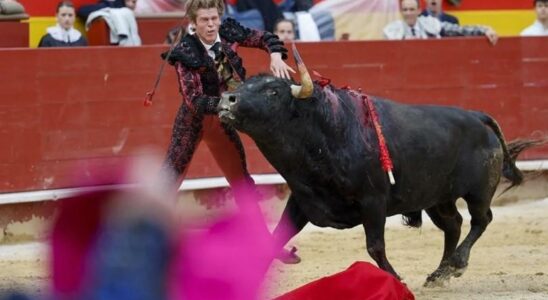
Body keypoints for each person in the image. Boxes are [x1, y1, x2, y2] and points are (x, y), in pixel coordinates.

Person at [160, 0, 293, 207]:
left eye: (214, 18)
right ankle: (142, 235)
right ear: (194, 23)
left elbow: (264, 37)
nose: (211, 24)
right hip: (192, 122)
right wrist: (234, 102)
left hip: (222, 119)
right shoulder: (185, 51)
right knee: (168, 180)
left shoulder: (229, 32)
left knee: (241, 181)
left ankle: (259, 238)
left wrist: (275, 56)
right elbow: (194, 99)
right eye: (205, 20)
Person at [384, 0, 498, 45]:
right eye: (405, 10)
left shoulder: (431, 24)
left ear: (419, 10)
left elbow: (459, 30)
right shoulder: (391, 30)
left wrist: (485, 29)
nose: (408, 13)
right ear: (401, 11)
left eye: (412, 9)